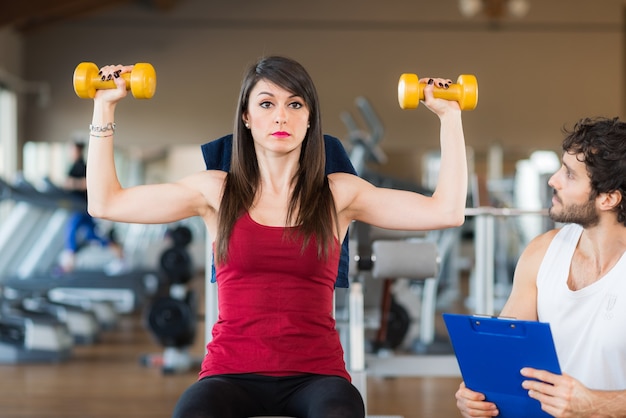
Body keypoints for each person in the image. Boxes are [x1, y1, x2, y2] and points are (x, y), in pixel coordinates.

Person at [86, 55, 468, 418]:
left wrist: (450, 117)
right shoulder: (216, 192)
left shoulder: (338, 194)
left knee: (341, 411)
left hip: (317, 375)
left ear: (309, 119)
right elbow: (106, 203)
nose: (281, 116)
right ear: (247, 117)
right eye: (266, 104)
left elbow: (446, 211)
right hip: (230, 372)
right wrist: (104, 107)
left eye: (295, 104)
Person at [456, 116, 626, 418]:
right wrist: (478, 394)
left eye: (570, 175)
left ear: (609, 198)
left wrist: (596, 404)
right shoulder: (541, 252)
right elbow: (504, 357)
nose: (553, 180)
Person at [61, 141, 125, 273]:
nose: (70, 153)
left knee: (71, 229)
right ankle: (118, 253)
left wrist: (73, 183)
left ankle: (70, 261)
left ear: (78, 150)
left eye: (72, 150)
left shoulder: (81, 165)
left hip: (82, 206)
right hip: (80, 206)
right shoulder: (73, 166)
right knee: (91, 234)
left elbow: (88, 183)